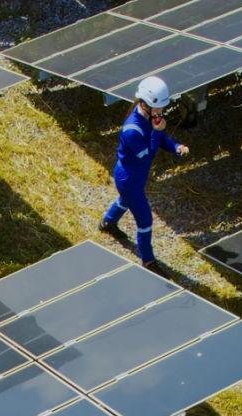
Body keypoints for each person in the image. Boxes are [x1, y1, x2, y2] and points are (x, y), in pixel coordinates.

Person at [99, 75, 189, 271]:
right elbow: (147, 155)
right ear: (145, 104)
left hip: (134, 177)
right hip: (129, 179)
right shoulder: (132, 130)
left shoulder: (149, 118)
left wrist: (176, 147)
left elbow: (162, 138)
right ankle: (148, 261)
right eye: (158, 108)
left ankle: (107, 223)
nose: (161, 112)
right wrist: (157, 132)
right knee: (145, 220)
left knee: (124, 201)